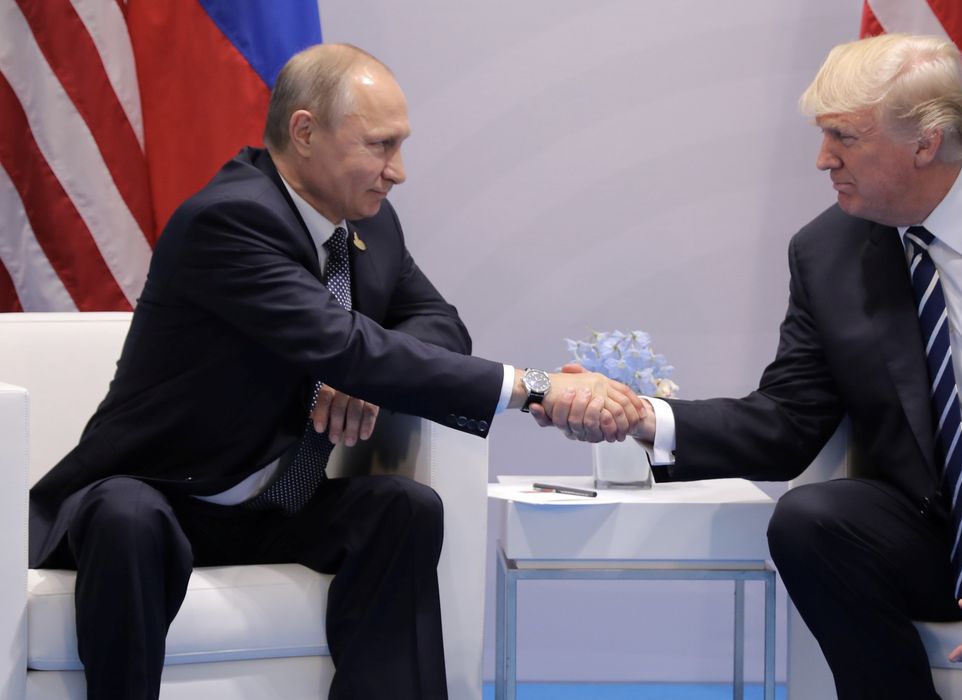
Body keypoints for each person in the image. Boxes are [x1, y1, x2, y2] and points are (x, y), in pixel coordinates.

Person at [538, 33, 962, 699]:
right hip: (946, 528)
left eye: (844, 137)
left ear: (924, 142)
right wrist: (641, 418)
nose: (821, 159)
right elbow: (786, 421)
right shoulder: (825, 252)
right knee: (811, 521)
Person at [28, 43, 643, 700]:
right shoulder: (229, 218)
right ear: (304, 131)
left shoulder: (369, 227)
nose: (398, 171)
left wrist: (357, 372)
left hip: (272, 505)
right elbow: (344, 343)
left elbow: (439, 325)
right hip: (161, 496)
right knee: (127, 515)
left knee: (401, 508)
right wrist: (537, 387)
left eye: (399, 145)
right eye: (379, 146)